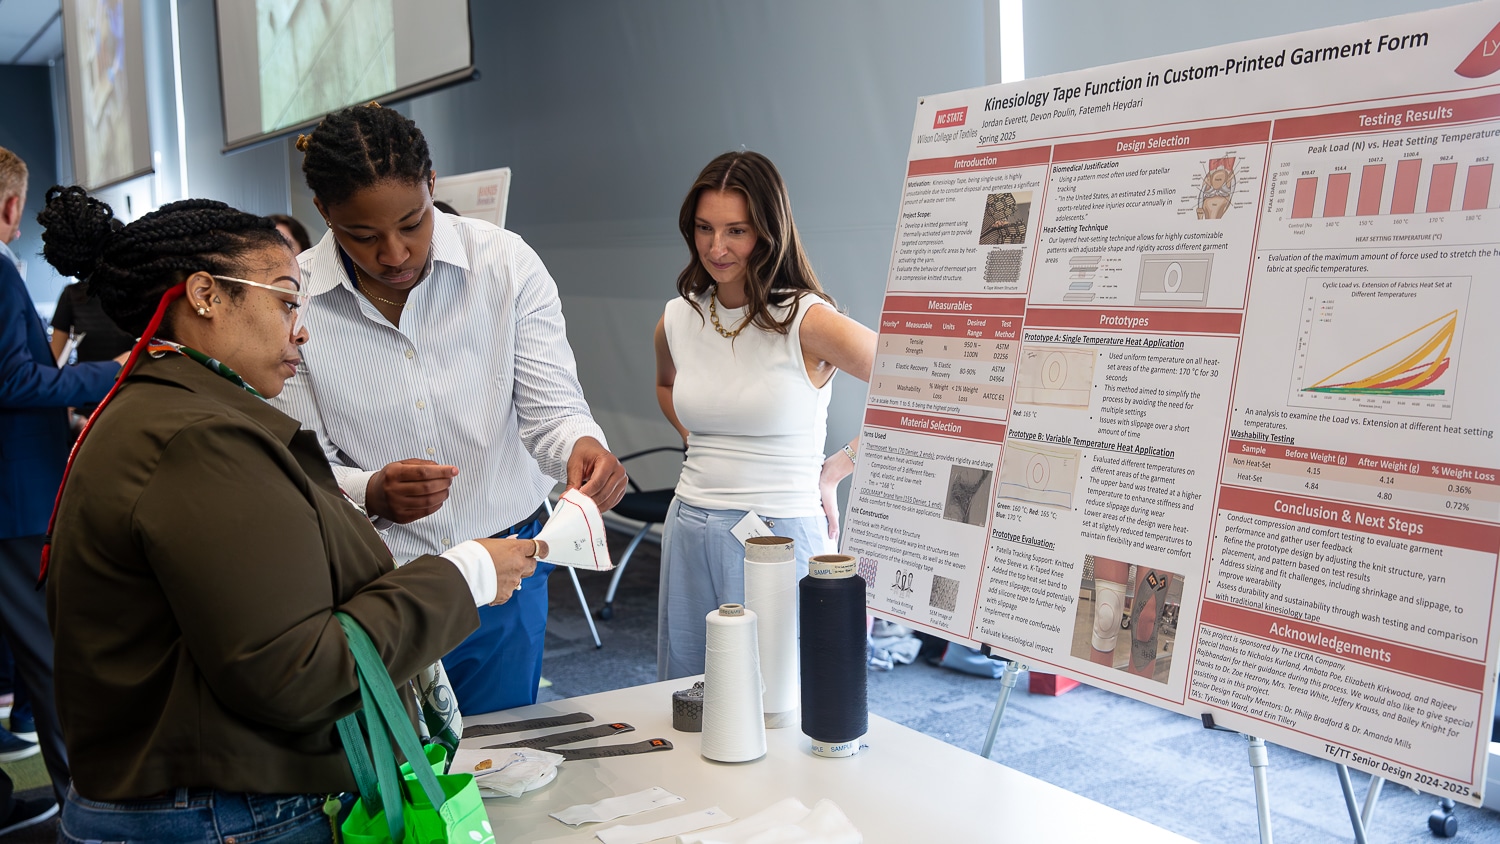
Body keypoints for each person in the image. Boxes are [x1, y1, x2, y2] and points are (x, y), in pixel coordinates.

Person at [37, 186, 545, 842]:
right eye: (283, 299)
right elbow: (294, 670)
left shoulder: (170, 413)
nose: (301, 326)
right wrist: (465, 573)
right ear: (206, 295)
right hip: (219, 814)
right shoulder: (198, 438)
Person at [272, 104, 627, 714]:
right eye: (363, 235)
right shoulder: (293, 298)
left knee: (505, 766)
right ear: (324, 213)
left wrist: (579, 445)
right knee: (398, 779)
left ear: (432, 186)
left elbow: (552, 407)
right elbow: (300, 464)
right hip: (379, 582)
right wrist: (371, 490)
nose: (393, 253)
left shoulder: (506, 263)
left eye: (413, 223)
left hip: (508, 568)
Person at [654, 151, 876, 680]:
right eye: (705, 228)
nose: (716, 247)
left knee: (779, 700)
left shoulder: (808, 319)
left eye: (737, 230)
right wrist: (699, 440)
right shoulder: (677, 318)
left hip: (776, 530)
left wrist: (838, 466)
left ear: (769, 232)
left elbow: (927, 389)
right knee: (688, 694)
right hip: (687, 522)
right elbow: (667, 385)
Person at [0, 147, 123, 834]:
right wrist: (111, 372)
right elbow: (15, 382)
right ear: (12, 206)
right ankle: (91, 808)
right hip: (16, 499)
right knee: (50, 660)